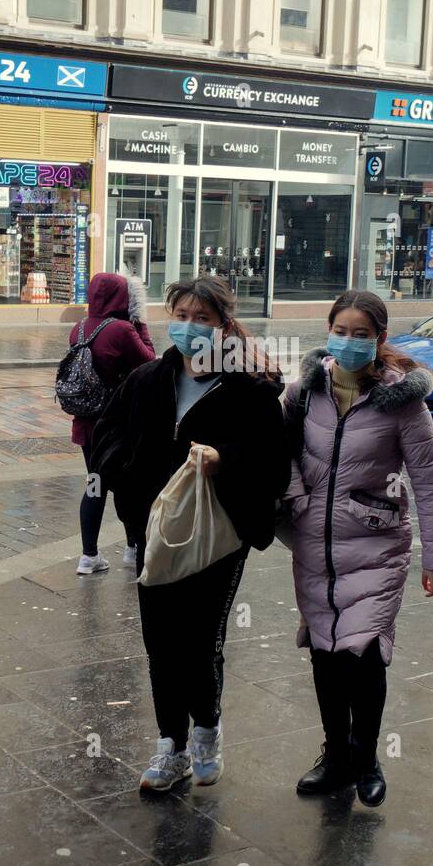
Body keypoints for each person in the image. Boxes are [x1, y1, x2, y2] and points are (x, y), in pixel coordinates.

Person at [90, 276, 291, 792]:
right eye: (180, 314)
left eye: (201, 317)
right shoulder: (147, 379)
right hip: (155, 533)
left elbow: (274, 466)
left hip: (219, 535)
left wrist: (226, 462)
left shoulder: (251, 388)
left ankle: (205, 730)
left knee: (200, 640)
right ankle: (169, 746)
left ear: (224, 324)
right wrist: (127, 477)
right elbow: (107, 434)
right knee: (161, 639)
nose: (188, 326)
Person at [283, 290, 433, 807]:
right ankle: (335, 757)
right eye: (342, 330)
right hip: (315, 546)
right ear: (328, 331)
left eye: (362, 333)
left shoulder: (403, 402)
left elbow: (427, 481)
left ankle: (365, 756)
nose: (350, 341)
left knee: (364, 654)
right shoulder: (304, 393)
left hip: (377, 545)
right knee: (325, 653)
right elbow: (278, 451)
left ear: (379, 339)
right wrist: (294, 498)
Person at [67, 271, 156, 575]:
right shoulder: (121, 330)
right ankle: (133, 549)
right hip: (118, 424)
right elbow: (149, 361)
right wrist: (140, 322)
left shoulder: (78, 328)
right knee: (129, 485)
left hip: (86, 423)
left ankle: (88, 555)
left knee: (95, 484)